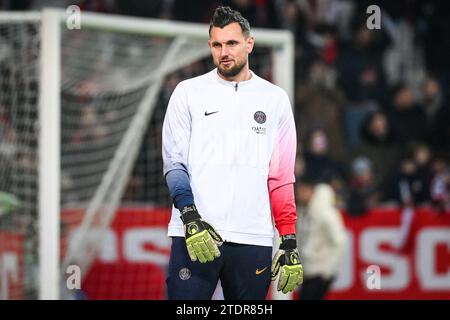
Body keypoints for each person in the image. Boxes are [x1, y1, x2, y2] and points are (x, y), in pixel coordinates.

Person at [162, 6, 303, 300]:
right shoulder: (188, 92)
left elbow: (280, 178)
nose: (224, 52)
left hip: (253, 238)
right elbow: (174, 164)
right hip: (196, 234)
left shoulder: (275, 99)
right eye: (217, 44)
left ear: (248, 44)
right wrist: (190, 218)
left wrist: (288, 240)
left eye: (232, 43)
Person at [296, 175, 347, 300]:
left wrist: (327, 270)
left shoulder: (326, 213)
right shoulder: (305, 211)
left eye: (302, 191)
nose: (298, 195)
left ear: (311, 190)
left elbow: (340, 241)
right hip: (309, 270)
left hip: (320, 272)